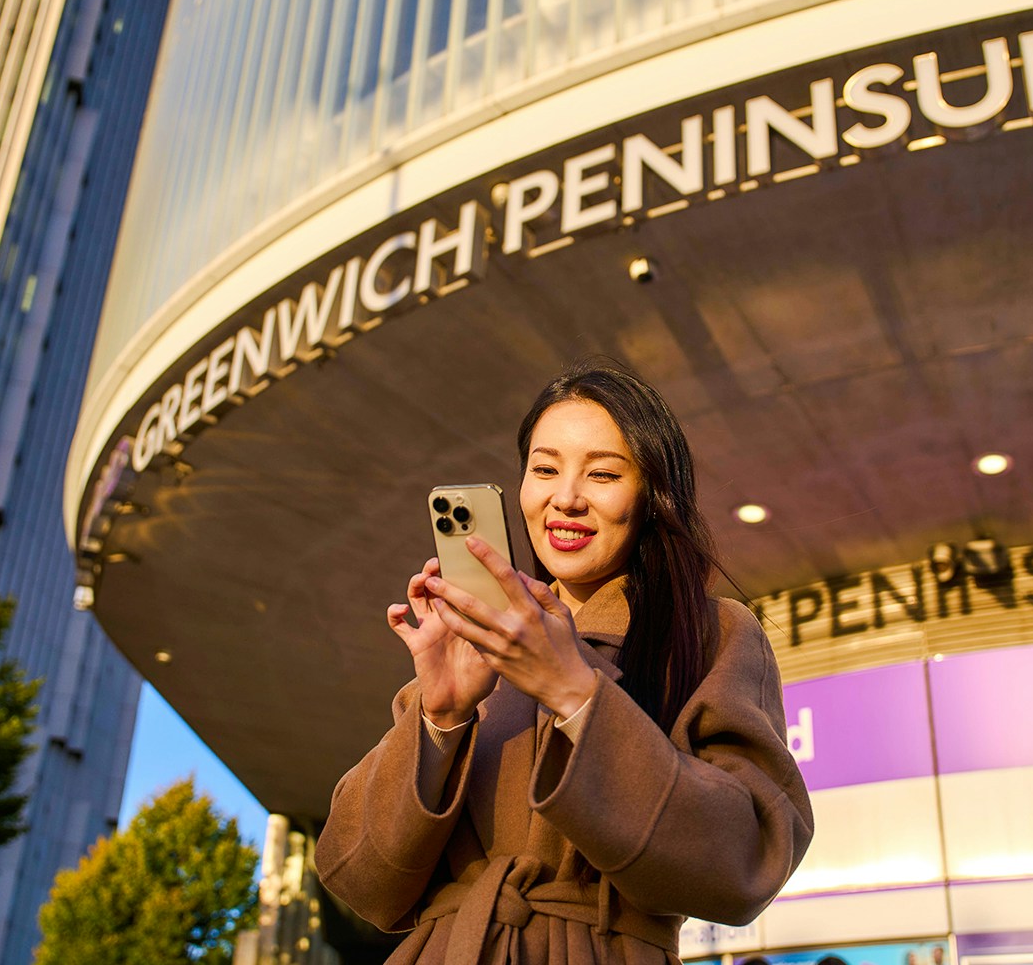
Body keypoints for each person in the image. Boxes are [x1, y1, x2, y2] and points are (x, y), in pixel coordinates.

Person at [315, 359, 813, 965]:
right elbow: (356, 879)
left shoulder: (714, 634)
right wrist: (440, 718)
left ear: (653, 496)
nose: (566, 499)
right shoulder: (468, 645)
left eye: (603, 474)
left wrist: (577, 694)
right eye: (544, 469)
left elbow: (748, 860)